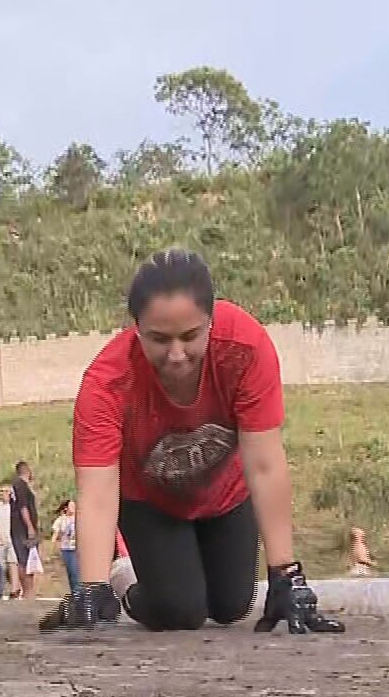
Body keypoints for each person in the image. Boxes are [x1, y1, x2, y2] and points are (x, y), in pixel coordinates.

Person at [45, 248, 343, 634]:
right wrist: (92, 586)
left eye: (190, 336)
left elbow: (265, 464)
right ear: (136, 329)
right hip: (150, 501)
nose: (176, 355)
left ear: (211, 322)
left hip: (225, 492)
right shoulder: (107, 382)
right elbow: (97, 490)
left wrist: (286, 575)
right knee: (181, 611)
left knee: (231, 606)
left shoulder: (245, 348)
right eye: (158, 339)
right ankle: (125, 581)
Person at [9, 461, 41, 599]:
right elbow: (23, 507)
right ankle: (28, 590)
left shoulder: (19, 486)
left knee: (28, 559)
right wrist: (29, 526)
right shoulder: (20, 485)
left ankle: (29, 589)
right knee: (25, 560)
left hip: (19, 528)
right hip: (22, 529)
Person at [50, 499, 77, 590]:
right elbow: (55, 534)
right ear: (66, 508)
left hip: (77, 549)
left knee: (75, 573)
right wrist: (53, 547)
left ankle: (78, 593)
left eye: (74, 506)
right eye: (71, 506)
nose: (73, 508)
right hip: (66, 549)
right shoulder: (61, 520)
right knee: (71, 573)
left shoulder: (79, 519)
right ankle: (74, 592)